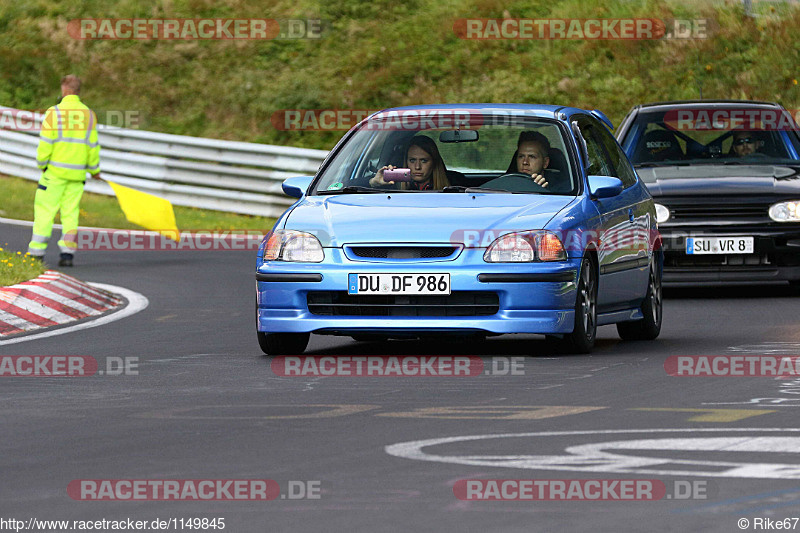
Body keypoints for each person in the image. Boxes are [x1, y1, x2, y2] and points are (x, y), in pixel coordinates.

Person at [26, 75, 101, 267]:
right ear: (78, 91)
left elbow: (46, 143)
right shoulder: (88, 114)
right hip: (77, 176)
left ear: (64, 89)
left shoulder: (54, 113)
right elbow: (92, 146)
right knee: (70, 213)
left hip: (55, 174)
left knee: (45, 211)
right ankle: (67, 254)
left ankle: (36, 252)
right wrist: (94, 170)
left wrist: (42, 164)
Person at [368, 135, 450, 190]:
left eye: (424, 161)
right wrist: (374, 182)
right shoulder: (392, 184)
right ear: (406, 161)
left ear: (434, 162)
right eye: (412, 160)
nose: (417, 167)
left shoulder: (454, 184)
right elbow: (355, 185)